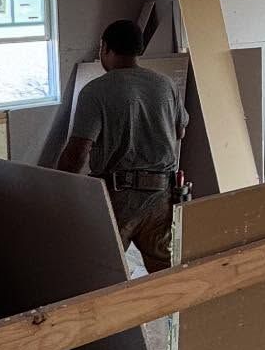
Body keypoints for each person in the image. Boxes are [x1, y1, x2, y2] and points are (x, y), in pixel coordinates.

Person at [57, 19, 188, 273]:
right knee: (166, 272)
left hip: (118, 199)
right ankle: (175, 312)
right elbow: (180, 131)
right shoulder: (165, 85)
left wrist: (61, 187)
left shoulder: (95, 91)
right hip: (162, 195)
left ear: (105, 48)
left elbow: (78, 151)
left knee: (101, 271)